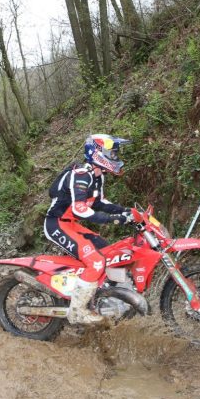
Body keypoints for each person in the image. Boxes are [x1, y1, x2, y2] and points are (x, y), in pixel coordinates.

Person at [43, 134, 133, 324]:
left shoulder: (97, 176)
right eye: (113, 153)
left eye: (116, 153)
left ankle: (99, 298)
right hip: (56, 223)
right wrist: (113, 219)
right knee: (96, 261)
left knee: (108, 252)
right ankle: (77, 311)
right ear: (98, 153)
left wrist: (127, 212)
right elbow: (80, 208)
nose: (115, 157)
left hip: (71, 224)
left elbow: (100, 203)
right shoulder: (82, 174)